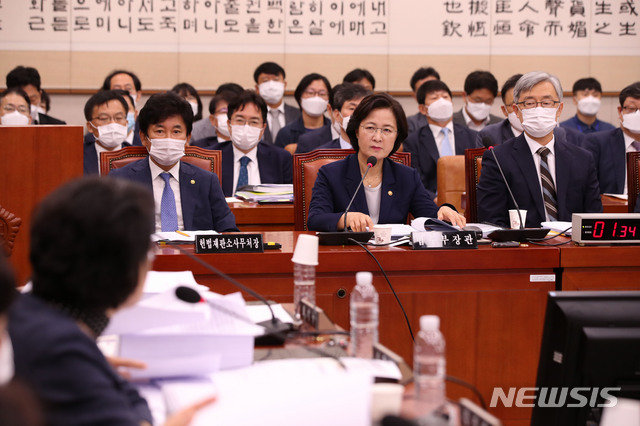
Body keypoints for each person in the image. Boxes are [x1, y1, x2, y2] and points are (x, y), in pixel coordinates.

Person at [8, 177, 215, 425]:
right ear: (121, 268)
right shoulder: (61, 351)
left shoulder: (25, 311)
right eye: (148, 250)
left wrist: (96, 367)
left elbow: (128, 403)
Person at [307, 93, 466, 232]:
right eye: (370, 128)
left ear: (396, 137)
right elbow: (315, 219)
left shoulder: (406, 176)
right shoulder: (331, 174)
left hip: (392, 254)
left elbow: (431, 215)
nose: (377, 137)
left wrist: (445, 211)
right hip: (348, 252)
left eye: (387, 130)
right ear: (356, 131)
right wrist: (344, 218)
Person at [477, 71, 602, 228]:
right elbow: (491, 220)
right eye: (529, 103)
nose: (538, 109)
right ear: (517, 111)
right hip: (523, 242)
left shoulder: (583, 159)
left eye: (546, 102)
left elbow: (593, 218)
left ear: (559, 109)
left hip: (572, 241)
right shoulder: (498, 159)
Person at [110, 92, 238, 232]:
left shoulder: (207, 181)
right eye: (160, 131)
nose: (168, 138)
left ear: (187, 138)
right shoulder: (121, 180)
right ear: (144, 137)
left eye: (176, 132)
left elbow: (228, 229)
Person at [207, 90, 293, 196]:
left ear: (263, 128)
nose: (246, 127)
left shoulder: (280, 159)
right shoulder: (210, 158)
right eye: (240, 120)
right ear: (229, 125)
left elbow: (290, 199)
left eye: (254, 122)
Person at [403, 80, 481, 194]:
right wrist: (434, 200)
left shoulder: (473, 136)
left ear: (452, 103)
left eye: (445, 97)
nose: (442, 102)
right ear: (423, 109)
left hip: (467, 199)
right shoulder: (413, 141)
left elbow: (478, 175)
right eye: (434, 98)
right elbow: (415, 180)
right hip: (431, 201)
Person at [583, 82, 640, 194]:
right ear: (620, 111)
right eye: (632, 108)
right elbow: (585, 189)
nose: (638, 114)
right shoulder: (596, 143)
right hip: (612, 205)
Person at [296, 83, 372, 153]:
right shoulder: (320, 155)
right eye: (352, 108)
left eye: (363, 108)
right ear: (337, 115)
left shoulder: (376, 152)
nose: (358, 113)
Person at [274, 73, 332, 153]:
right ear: (300, 97)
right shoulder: (286, 133)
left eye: (322, 94)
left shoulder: (335, 130)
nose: (316, 97)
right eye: (310, 92)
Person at [83, 90, 133, 175]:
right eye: (104, 118)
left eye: (119, 118)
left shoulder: (138, 155)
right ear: (90, 126)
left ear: (126, 123)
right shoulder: (77, 156)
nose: (112, 124)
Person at [253, 62, 301, 144]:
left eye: (276, 80)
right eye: (265, 81)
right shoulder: (253, 114)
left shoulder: (298, 114)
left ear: (284, 85)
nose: (271, 86)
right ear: (257, 88)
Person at [407, 67, 440, 134]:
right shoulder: (410, 124)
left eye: (433, 88)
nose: (430, 94)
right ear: (415, 96)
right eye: (423, 91)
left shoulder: (456, 120)